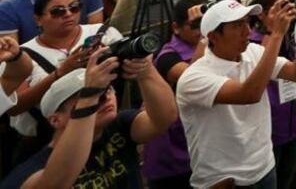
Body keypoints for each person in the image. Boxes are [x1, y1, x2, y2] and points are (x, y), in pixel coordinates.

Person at [0, 46, 176, 189]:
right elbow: (56, 183)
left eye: (108, 90)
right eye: (97, 97)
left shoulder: (119, 126)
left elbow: (164, 118)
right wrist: (90, 95)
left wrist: (145, 70)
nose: (106, 98)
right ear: (56, 119)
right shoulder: (31, 171)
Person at [176, 0, 296, 189]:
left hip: (263, 169)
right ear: (212, 36)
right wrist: (276, 34)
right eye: (237, 25)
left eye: (246, 22)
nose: (248, 31)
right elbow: (249, 94)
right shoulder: (193, 78)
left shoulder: (253, 52)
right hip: (223, 181)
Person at [2, 0, 102, 154]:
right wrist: (59, 73)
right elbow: (14, 107)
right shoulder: (22, 55)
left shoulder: (102, 34)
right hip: (45, 142)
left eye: (74, 7)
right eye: (57, 11)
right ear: (38, 19)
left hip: (99, 130)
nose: (68, 14)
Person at [252, 0, 296, 186]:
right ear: (263, 15)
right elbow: (260, 68)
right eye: (281, 7)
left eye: (289, 4)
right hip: (271, 128)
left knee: (295, 177)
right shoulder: (250, 42)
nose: (288, 10)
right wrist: (275, 31)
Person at [142, 0, 207, 189]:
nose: (200, 30)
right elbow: (193, 79)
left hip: (202, 140)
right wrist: (207, 37)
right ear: (176, 28)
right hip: (172, 151)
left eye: (205, 23)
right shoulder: (167, 56)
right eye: (195, 25)